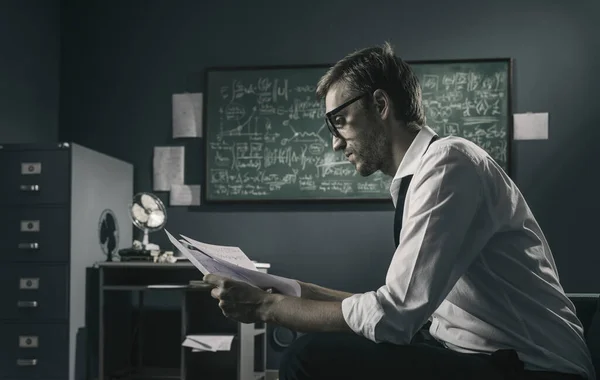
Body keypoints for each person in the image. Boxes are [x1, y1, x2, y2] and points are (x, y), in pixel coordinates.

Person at [203, 42, 595, 380]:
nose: (336, 145)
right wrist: (291, 291)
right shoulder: (426, 174)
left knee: (307, 359)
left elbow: (393, 314)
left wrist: (268, 307)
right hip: (472, 351)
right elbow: (397, 304)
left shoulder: (448, 164)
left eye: (339, 122)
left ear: (379, 103)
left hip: (535, 368)